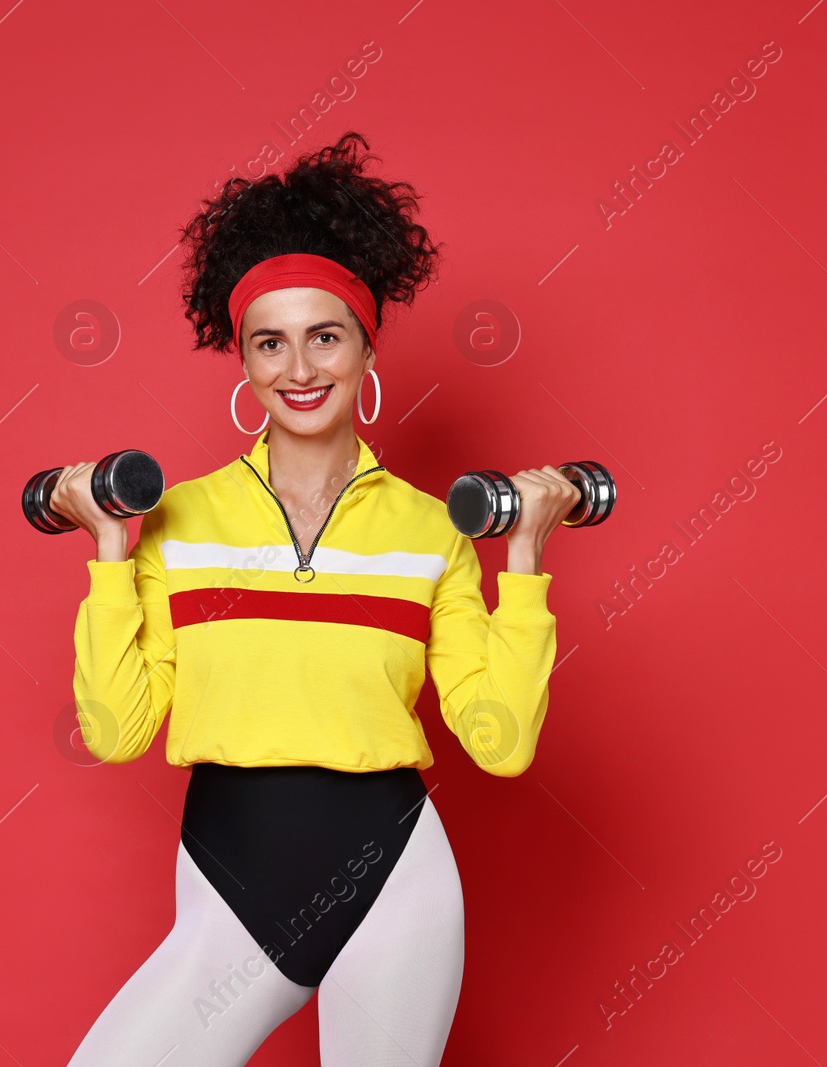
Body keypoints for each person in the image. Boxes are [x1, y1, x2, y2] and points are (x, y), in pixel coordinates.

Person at [50, 131, 579, 1066]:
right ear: (243, 360)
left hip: (396, 880)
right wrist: (105, 548)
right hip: (232, 873)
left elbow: (499, 744)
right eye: (271, 342)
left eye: (325, 335)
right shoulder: (177, 520)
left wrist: (525, 558)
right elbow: (118, 731)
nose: (300, 368)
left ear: (368, 346)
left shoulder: (432, 531)